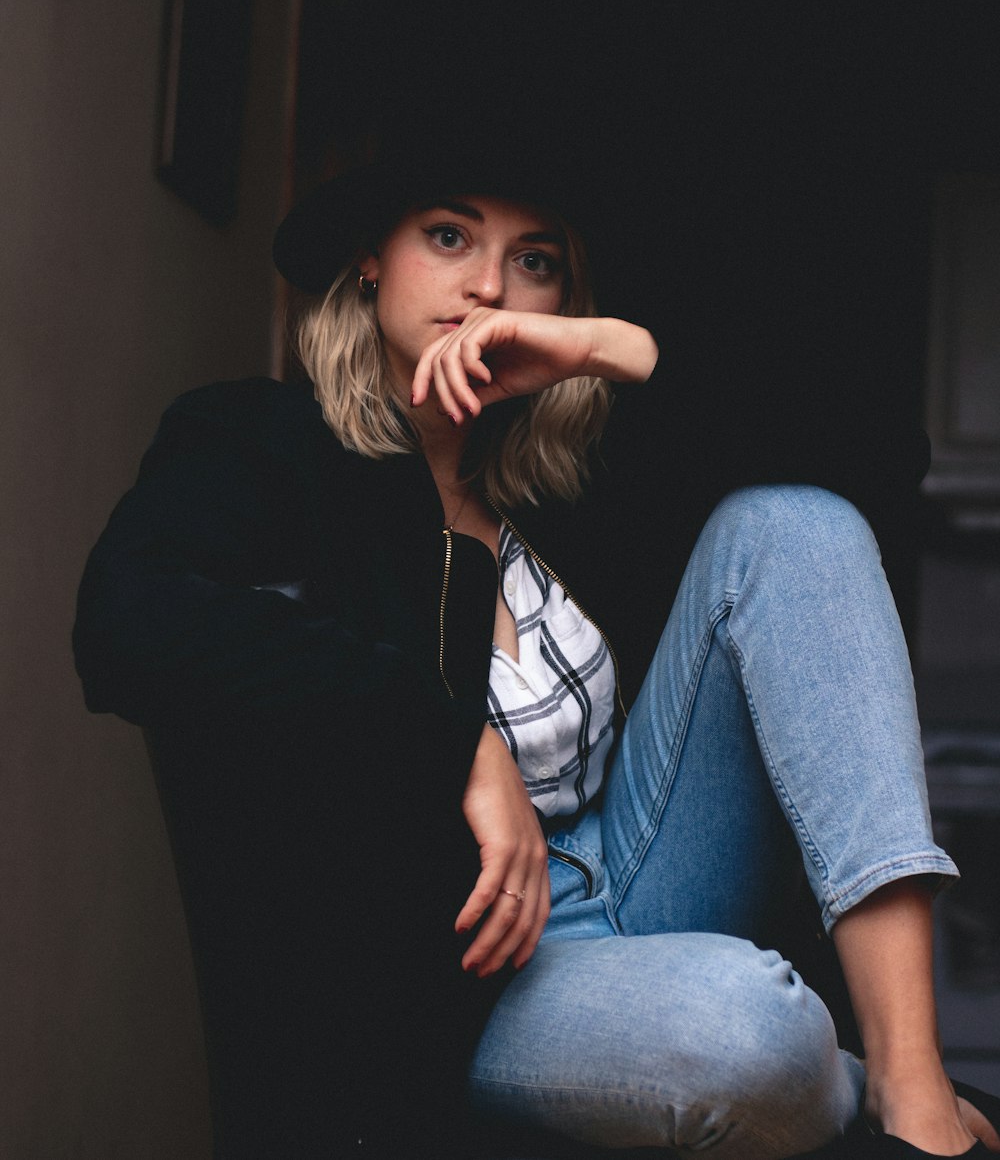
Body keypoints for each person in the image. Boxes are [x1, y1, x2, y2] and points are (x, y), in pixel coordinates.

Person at [74, 130, 1000, 1160]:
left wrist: (610, 350)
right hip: (461, 966)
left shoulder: (563, 481)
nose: (487, 287)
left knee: (797, 523)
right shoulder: (259, 441)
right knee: (760, 1028)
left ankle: (913, 1089)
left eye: (535, 261)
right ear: (373, 257)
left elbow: (872, 459)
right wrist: (452, 737)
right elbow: (127, 620)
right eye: (448, 235)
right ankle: (844, 1077)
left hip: (638, 869)